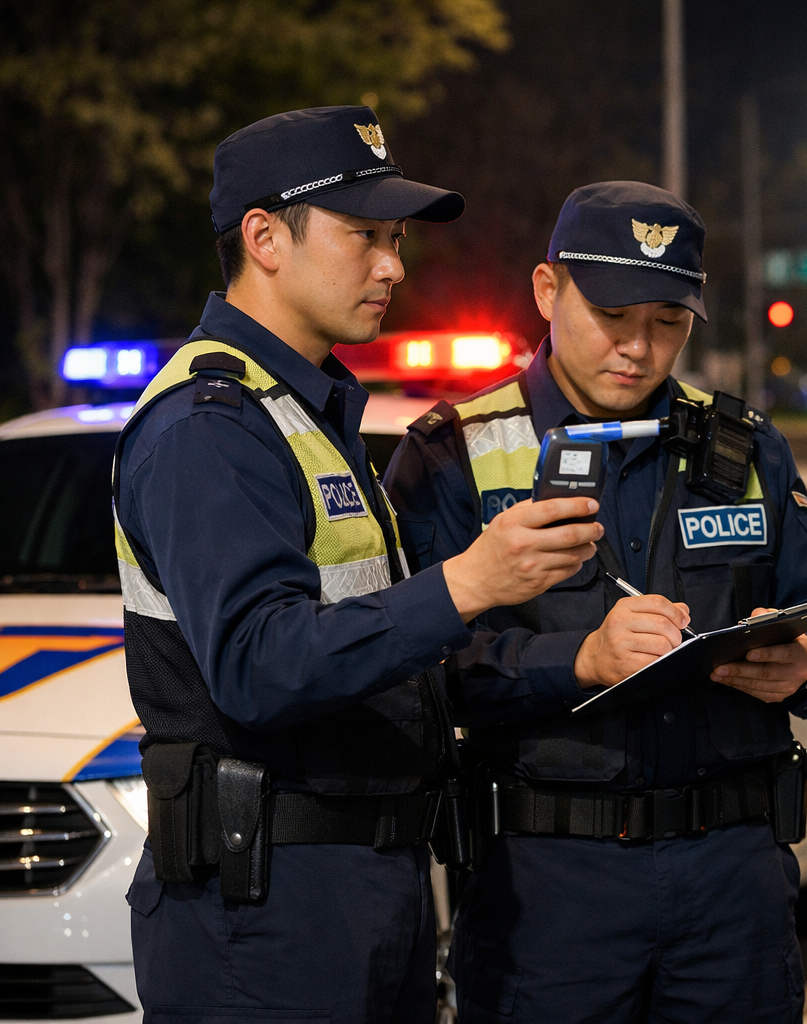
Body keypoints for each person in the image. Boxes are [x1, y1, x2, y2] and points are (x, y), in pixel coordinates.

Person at [116, 106, 603, 1023]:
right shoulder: (211, 426)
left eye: (396, 237)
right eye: (363, 234)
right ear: (263, 237)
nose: (393, 264)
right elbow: (260, 666)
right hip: (266, 915)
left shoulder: (307, 410)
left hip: (355, 888)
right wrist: (469, 584)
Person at [384, 180, 807, 1023]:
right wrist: (577, 660)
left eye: (667, 322)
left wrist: (806, 663)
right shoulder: (453, 455)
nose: (639, 349)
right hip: (546, 891)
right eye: (614, 317)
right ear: (548, 292)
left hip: (733, 882)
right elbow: (410, 673)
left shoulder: (746, 446)